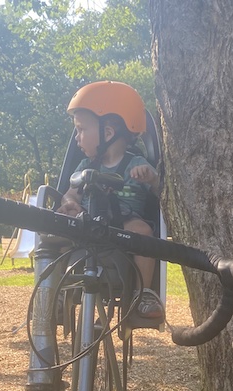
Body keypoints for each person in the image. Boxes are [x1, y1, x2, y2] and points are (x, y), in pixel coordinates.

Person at [58, 80, 164, 321]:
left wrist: (152, 179)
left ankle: (142, 294)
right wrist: (69, 203)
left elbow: (160, 194)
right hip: (88, 219)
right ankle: (56, 292)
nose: (77, 138)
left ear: (108, 132)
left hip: (124, 223)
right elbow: (72, 193)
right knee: (60, 222)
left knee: (144, 231)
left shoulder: (136, 164)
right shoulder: (85, 166)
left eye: (81, 129)